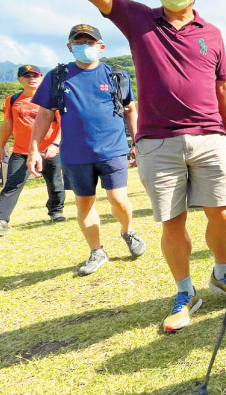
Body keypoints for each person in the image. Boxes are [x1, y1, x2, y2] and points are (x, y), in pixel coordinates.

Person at [0, 0, 226, 333]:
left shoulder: (213, 34)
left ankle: (221, 273)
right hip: (158, 142)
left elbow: (223, 86)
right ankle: (185, 290)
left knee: (221, 214)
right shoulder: (139, 19)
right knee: (173, 222)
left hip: (210, 138)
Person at [27, 25, 145, 275]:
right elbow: (45, 114)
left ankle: (127, 230)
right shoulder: (57, 77)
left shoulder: (116, 75)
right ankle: (97, 251)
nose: (85, 47)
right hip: (76, 154)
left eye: (90, 42)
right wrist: (34, 149)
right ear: (70, 47)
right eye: (79, 42)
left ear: (101, 47)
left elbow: (130, 109)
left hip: (112, 149)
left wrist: (136, 141)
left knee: (118, 200)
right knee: (84, 203)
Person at [0, 65, 65, 237]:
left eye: (35, 75)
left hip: (48, 149)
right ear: (19, 79)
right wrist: (1, 146)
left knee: (55, 183)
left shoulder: (52, 99)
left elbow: (64, 124)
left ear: (41, 78)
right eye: (26, 75)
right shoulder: (13, 100)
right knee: (12, 185)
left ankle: (56, 212)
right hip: (21, 151)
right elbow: (7, 124)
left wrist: (56, 144)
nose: (31, 78)